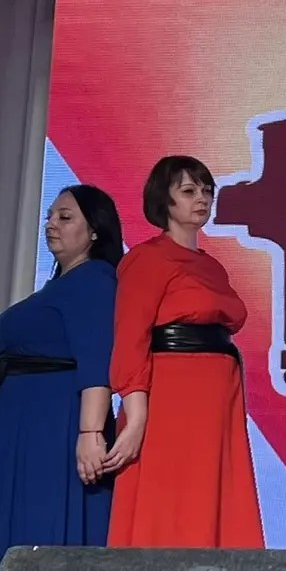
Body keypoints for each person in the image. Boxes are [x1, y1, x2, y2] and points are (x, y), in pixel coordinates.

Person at [0, 185, 124, 571]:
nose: (51, 223)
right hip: (24, 430)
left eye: (65, 217)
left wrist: (90, 432)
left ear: (94, 230)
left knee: (41, 535)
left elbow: (97, 362)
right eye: (50, 215)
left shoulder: (95, 280)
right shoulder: (63, 285)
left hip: (52, 429)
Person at [102, 156, 262, 547]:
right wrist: (136, 417)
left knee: (213, 490)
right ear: (165, 200)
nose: (202, 198)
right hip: (173, 393)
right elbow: (131, 337)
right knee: (173, 494)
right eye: (189, 191)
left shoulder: (213, 267)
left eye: (207, 190)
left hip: (216, 396)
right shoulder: (147, 258)